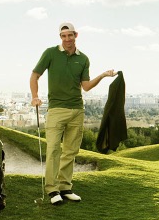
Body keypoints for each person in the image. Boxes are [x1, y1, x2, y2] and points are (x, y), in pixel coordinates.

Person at [30, 22, 116, 205]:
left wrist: (102, 76)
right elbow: (35, 75)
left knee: (70, 151)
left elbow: (86, 86)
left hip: (77, 110)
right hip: (56, 110)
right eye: (63, 36)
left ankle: (65, 187)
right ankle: (52, 190)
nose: (67, 39)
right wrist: (35, 96)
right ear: (60, 37)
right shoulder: (50, 53)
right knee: (53, 149)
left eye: (70, 35)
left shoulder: (83, 59)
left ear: (76, 35)